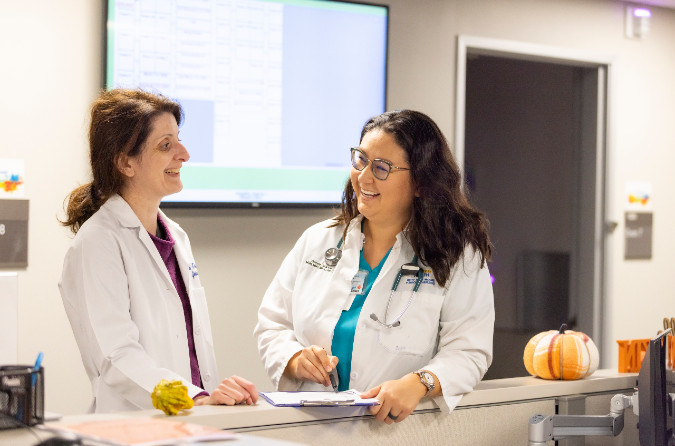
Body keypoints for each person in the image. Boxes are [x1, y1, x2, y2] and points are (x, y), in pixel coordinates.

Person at [254, 109, 493, 424]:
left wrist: (420, 383)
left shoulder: (455, 255)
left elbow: (469, 350)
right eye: (360, 160)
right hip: (308, 427)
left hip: (393, 429)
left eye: (381, 168)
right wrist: (294, 359)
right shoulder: (318, 240)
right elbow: (273, 323)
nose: (363, 177)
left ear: (421, 182)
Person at [59, 88, 258, 413]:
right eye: (166, 145)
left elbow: (189, 347)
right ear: (125, 162)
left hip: (192, 421)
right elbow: (116, 356)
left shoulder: (176, 236)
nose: (184, 153)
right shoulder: (98, 243)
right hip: (136, 426)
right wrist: (193, 397)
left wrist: (208, 397)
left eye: (178, 140)